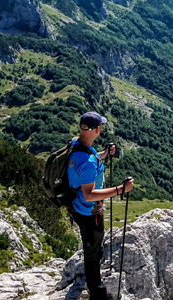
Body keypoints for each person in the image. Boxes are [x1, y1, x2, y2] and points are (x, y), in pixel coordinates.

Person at [68, 111, 134, 300]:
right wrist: (121, 189)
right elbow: (89, 195)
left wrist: (104, 153)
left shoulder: (77, 143)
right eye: (101, 126)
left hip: (76, 205)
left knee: (94, 246)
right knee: (92, 252)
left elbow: (89, 161)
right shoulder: (87, 161)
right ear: (97, 129)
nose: (102, 128)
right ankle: (96, 292)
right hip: (89, 211)